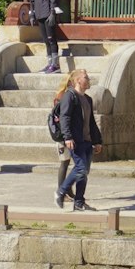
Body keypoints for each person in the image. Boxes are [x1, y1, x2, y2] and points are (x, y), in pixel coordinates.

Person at [54, 67, 102, 212]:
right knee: (80, 168)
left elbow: (91, 122)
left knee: (84, 172)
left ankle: (79, 202)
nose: (88, 80)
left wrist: (97, 140)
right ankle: (61, 192)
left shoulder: (87, 99)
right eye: (86, 77)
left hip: (86, 140)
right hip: (75, 140)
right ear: (77, 80)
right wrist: (67, 137)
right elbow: (65, 117)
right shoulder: (70, 96)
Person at [30, 0, 63, 73]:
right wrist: (32, 14)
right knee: (45, 41)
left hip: (49, 15)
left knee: (51, 39)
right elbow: (32, 1)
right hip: (40, 16)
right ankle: (49, 63)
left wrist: (53, 13)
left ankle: (55, 64)